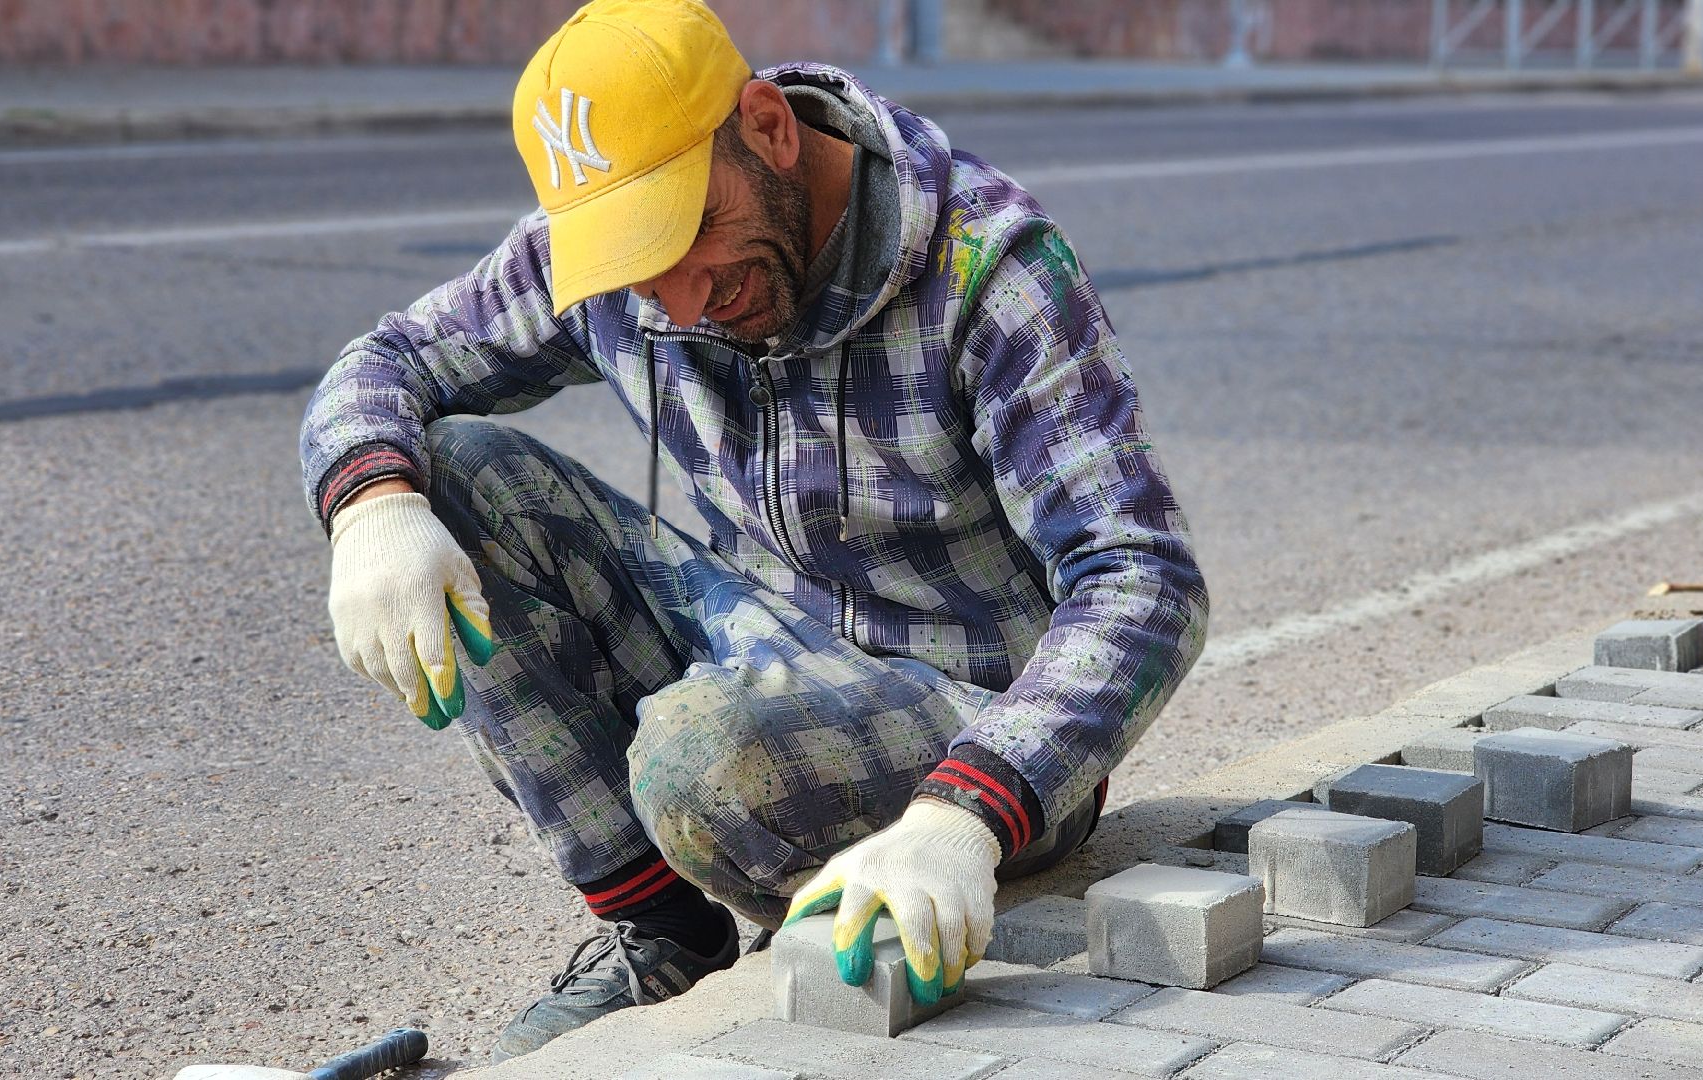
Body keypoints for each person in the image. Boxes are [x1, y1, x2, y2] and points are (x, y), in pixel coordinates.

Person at [299, 0, 1206, 1062]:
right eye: (635, 259)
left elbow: (1141, 579)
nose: (675, 296)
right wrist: (373, 503)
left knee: (705, 763)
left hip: (980, 735)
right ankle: (661, 936)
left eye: (685, 233)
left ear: (768, 126)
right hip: (760, 647)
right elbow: (388, 361)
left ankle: (851, 881)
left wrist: (968, 812)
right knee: (448, 471)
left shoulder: (984, 270)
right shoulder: (620, 270)